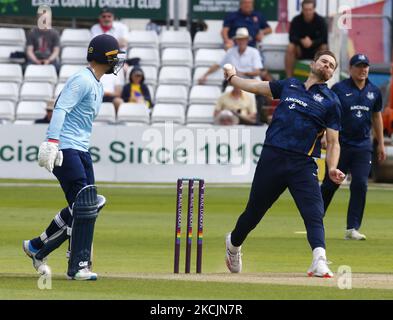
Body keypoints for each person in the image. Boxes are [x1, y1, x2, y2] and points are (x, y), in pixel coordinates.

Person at [223, 50, 345, 278]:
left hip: (303, 162)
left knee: (314, 213)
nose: (327, 66)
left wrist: (331, 168)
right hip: (273, 156)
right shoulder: (290, 85)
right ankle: (233, 244)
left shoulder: (331, 101)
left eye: (331, 66)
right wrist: (232, 78)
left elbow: (334, 142)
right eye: (324, 61)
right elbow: (257, 87)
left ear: (332, 74)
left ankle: (319, 260)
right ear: (313, 64)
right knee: (254, 212)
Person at [22, 34, 125, 281]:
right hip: (65, 148)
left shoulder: (98, 83)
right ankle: (78, 266)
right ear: (103, 57)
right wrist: (52, 142)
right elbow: (60, 108)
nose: (117, 63)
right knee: (87, 206)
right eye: (114, 57)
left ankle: (37, 246)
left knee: (84, 207)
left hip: (81, 149)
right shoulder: (81, 80)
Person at [320, 54, 386, 240]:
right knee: (330, 184)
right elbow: (328, 112)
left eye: (366, 66)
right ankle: (315, 218)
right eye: (359, 66)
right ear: (350, 69)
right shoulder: (339, 89)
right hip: (340, 145)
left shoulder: (374, 91)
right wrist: (325, 134)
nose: (363, 69)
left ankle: (352, 228)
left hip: (363, 146)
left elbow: (376, 116)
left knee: (360, 184)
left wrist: (380, 143)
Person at [285, 0, 328, 77]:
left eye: (310, 10)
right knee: (290, 47)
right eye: (305, 10)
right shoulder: (296, 20)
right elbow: (291, 37)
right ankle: (289, 78)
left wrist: (312, 42)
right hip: (300, 51)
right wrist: (301, 41)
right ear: (302, 9)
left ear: (314, 9)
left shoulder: (321, 21)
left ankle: (321, 78)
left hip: (316, 51)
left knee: (324, 48)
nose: (308, 12)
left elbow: (324, 38)